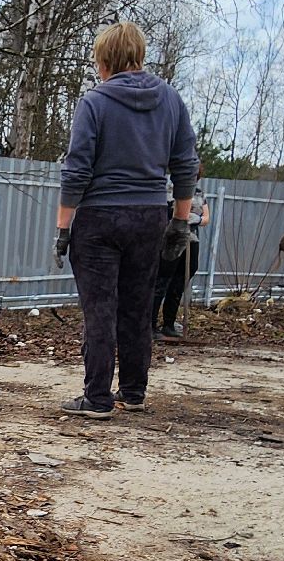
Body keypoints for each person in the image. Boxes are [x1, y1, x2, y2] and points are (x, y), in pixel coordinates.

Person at [55, 21, 198, 418]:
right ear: (140, 55)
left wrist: (63, 228)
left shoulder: (95, 103)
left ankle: (97, 398)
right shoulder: (171, 100)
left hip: (99, 219)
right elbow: (185, 165)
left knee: (100, 307)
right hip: (150, 216)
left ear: (105, 61)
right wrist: (180, 222)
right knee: (137, 305)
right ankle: (133, 392)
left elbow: (77, 170)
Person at [152, 177, 209, 340]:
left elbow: (206, 217)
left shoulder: (199, 193)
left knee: (180, 281)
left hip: (191, 240)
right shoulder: (167, 190)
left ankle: (168, 325)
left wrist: (197, 219)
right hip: (170, 240)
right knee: (162, 281)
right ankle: (150, 324)